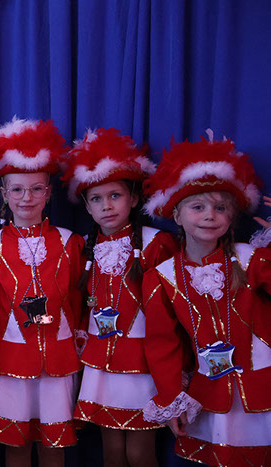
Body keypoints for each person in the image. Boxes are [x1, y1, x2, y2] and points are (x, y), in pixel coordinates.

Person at [141, 130, 271, 466]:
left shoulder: (252, 259)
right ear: (176, 215)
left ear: (231, 217)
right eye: (197, 207)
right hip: (210, 395)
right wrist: (171, 399)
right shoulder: (162, 277)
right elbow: (163, 345)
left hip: (264, 392)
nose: (210, 215)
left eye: (220, 207)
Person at [61, 128, 178, 467]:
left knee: (139, 453)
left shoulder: (156, 244)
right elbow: (83, 303)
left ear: (135, 199)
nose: (107, 206)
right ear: (87, 206)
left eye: (115, 195)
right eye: (96, 199)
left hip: (143, 366)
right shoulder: (86, 246)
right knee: (111, 452)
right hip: (100, 363)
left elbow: (172, 311)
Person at [0, 117, 83, 467]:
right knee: (16, 447)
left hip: (59, 360)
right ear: (4, 194)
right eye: (18, 190)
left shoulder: (70, 242)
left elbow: (77, 301)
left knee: (54, 448)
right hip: (11, 360)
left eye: (36, 189)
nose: (27, 198)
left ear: (48, 193)